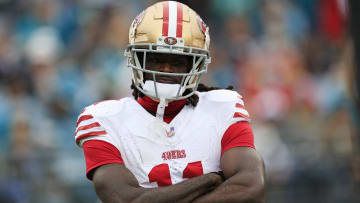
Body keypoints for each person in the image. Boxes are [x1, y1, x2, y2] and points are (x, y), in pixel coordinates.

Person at [75, 1, 265, 202]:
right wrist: (209, 180)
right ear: (137, 59)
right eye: (156, 59)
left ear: (196, 65)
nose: (166, 69)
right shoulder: (104, 120)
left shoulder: (222, 106)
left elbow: (251, 185)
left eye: (178, 61)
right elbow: (126, 199)